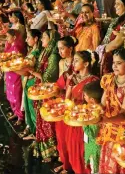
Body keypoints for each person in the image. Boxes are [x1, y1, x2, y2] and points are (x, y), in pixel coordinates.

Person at [97, 48, 125, 174]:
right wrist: (95, 110)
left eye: (119, 63)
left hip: (121, 130)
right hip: (107, 126)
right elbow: (103, 103)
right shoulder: (108, 78)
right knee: (106, 161)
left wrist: (106, 119)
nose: (114, 66)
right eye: (114, 62)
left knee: (118, 163)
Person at [26, 30, 60, 162]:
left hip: (48, 93)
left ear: (52, 40)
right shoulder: (45, 53)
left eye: (45, 36)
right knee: (41, 118)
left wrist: (32, 71)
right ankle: (41, 143)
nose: (42, 39)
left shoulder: (53, 56)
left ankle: (51, 151)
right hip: (41, 90)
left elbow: (48, 78)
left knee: (47, 121)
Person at [65, 51, 99, 174]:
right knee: (72, 148)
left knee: (81, 151)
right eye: (73, 60)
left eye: (76, 60)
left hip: (85, 122)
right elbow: (67, 100)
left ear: (86, 64)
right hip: (73, 118)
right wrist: (70, 86)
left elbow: (94, 107)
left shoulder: (93, 81)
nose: (73, 63)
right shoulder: (74, 78)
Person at [54, 36, 76, 174]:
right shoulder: (62, 62)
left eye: (62, 48)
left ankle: (72, 165)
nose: (60, 51)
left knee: (71, 137)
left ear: (71, 48)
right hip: (62, 98)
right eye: (58, 49)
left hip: (73, 100)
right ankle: (64, 162)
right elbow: (60, 81)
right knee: (60, 135)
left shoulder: (78, 62)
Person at [16, 29, 42, 139]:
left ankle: (36, 133)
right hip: (27, 81)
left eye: (28, 37)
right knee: (27, 106)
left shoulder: (36, 53)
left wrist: (13, 68)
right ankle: (31, 129)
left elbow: (27, 70)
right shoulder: (32, 51)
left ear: (35, 39)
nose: (26, 40)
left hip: (31, 82)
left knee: (32, 108)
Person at [4, 29, 26, 126]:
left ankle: (20, 117)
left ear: (14, 37)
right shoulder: (10, 46)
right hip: (9, 73)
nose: (7, 38)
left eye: (8, 36)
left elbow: (19, 62)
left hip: (15, 74)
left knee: (16, 95)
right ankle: (15, 112)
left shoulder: (16, 47)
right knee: (10, 94)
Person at [83, 80, 103, 174]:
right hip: (91, 144)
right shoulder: (92, 109)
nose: (83, 97)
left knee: (95, 169)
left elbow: (91, 134)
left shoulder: (96, 114)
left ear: (92, 100)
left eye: (85, 95)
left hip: (94, 146)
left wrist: (83, 122)